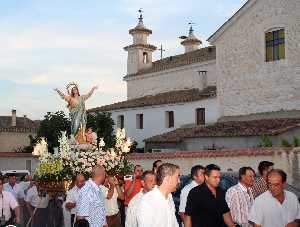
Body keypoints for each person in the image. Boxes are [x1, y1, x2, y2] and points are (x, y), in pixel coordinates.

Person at [137, 163, 180, 227]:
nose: (179, 181)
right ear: (167, 179)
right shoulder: (147, 201)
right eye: (177, 177)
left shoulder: (169, 197)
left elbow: (173, 223)